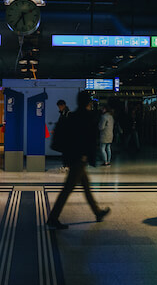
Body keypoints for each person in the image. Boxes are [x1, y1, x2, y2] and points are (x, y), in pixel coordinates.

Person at [47, 92, 111, 229]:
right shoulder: (86, 117)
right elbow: (88, 139)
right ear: (88, 102)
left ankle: (97, 212)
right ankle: (53, 217)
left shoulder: (73, 116)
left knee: (86, 187)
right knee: (67, 189)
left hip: (74, 158)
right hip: (79, 159)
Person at [55, 100, 71, 171]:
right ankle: (66, 165)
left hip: (67, 136)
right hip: (65, 135)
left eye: (60, 106)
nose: (59, 108)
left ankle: (67, 165)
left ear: (63, 105)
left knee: (66, 152)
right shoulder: (63, 113)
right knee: (65, 152)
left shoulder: (67, 113)